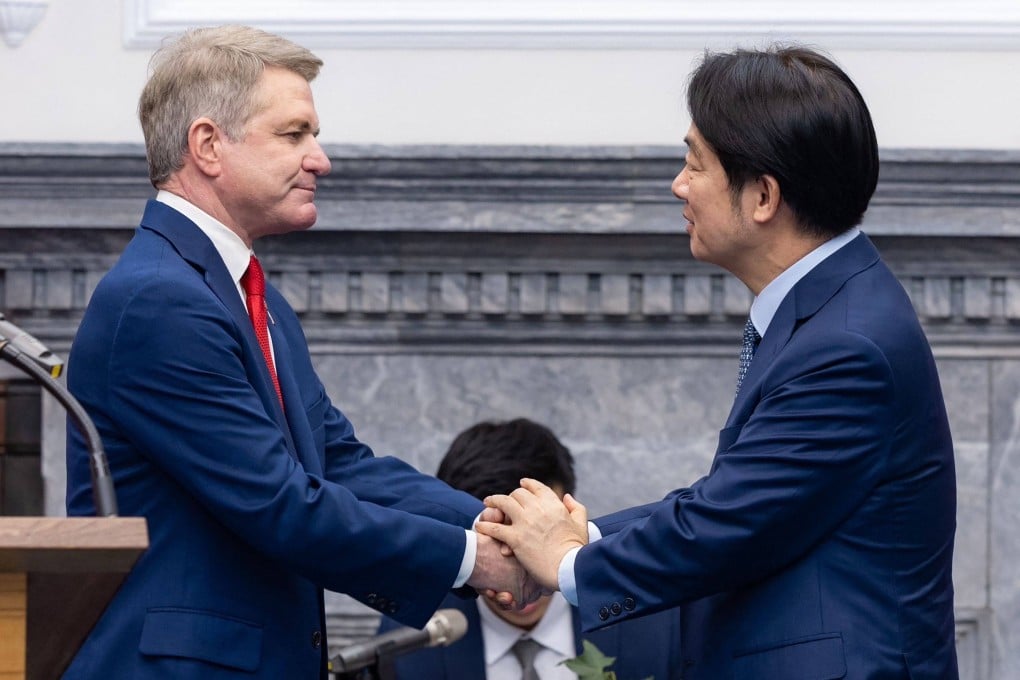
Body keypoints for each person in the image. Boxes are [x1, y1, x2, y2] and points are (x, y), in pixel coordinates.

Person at [63, 25, 537, 679]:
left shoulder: (250, 297)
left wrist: (503, 523)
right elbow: (282, 506)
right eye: (294, 134)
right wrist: (474, 557)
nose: (320, 159)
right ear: (207, 145)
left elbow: (342, 465)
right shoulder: (159, 300)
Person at [480, 45, 958, 679]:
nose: (678, 185)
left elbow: (727, 522)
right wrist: (581, 539)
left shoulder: (848, 346)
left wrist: (569, 563)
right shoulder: (833, 305)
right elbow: (740, 497)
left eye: (693, 162)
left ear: (762, 196)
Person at [377, 418, 682, 680]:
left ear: (570, 512)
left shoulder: (651, 617)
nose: (522, 560)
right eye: (499, 538)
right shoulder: (413, 634)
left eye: (538, 534)